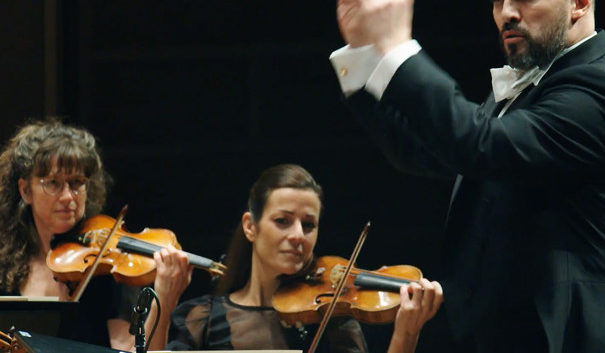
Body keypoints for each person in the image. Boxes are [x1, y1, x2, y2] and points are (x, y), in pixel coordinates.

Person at [325, 0, 605, 353]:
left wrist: (397, 46)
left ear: (579, 2)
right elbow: (423, 150)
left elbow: (480, 144)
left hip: (567, 338)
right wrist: (363, 48)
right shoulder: (528, 88)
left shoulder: (598, 87)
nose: (507, 12)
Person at [160, 164, 443, 352]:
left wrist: (406, 334)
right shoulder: (201, 318)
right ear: (250, 226)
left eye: (309, 225)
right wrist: (163, 300)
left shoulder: (332, 321)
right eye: (283, 221)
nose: (298, 236)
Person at [0, 117, 192, 350]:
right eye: (53, 183)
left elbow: (131, 351)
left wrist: (164, 301)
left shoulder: (107, 268)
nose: (68, 197)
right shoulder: (5, 267)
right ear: (25, 190)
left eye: (77, 182)